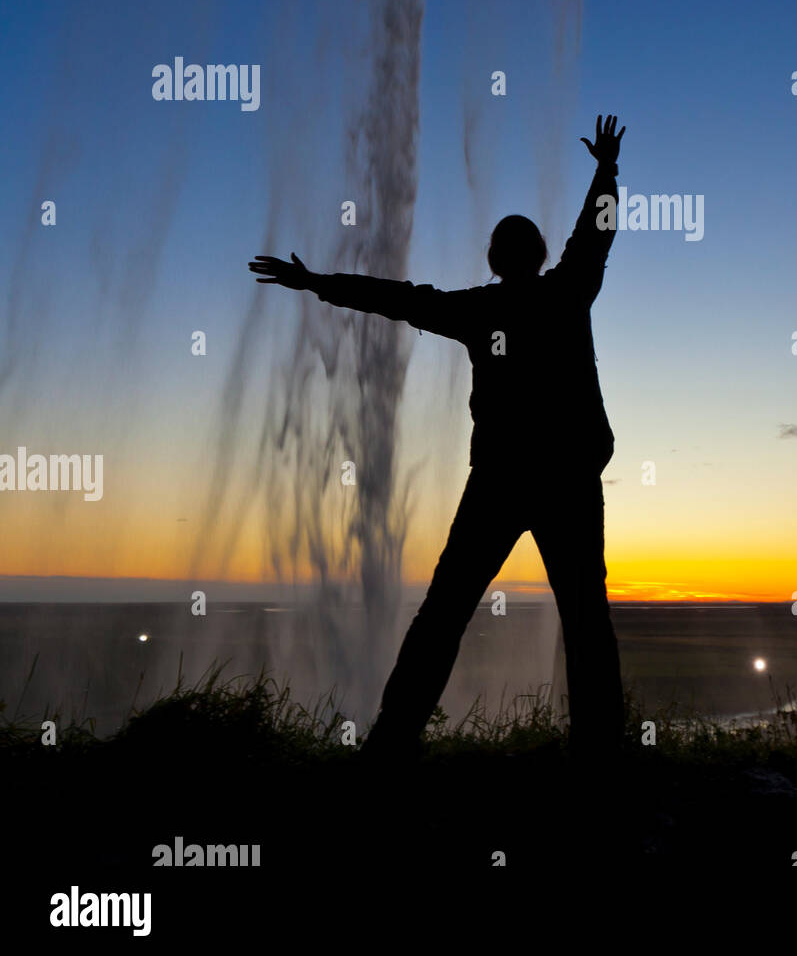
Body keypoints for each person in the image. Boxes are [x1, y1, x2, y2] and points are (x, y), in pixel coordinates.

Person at [249, 115, 627, 757]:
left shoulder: (480, 311)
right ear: (536, 257)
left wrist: (317, 284)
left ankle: (392, 743)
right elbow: (594, 234)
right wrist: (607, 170)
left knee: (444, 613)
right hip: (565, 479)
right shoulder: (567, 292)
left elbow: (398, 299)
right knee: (586, 619)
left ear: (495, 260)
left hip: (503, 481)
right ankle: (601, 751)